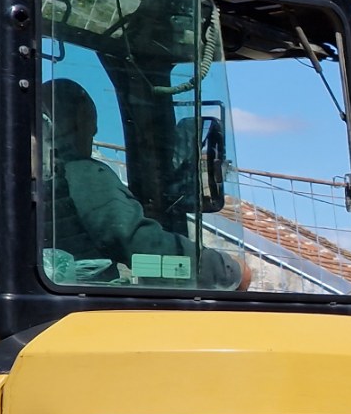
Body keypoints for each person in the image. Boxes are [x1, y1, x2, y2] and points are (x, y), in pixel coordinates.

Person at [41, 77, 246, 288]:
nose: (94, 130)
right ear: (81, 123)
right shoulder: (81, 175)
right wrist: (224, 270)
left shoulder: (38, 181)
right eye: (91, 120)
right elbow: (143, 250)